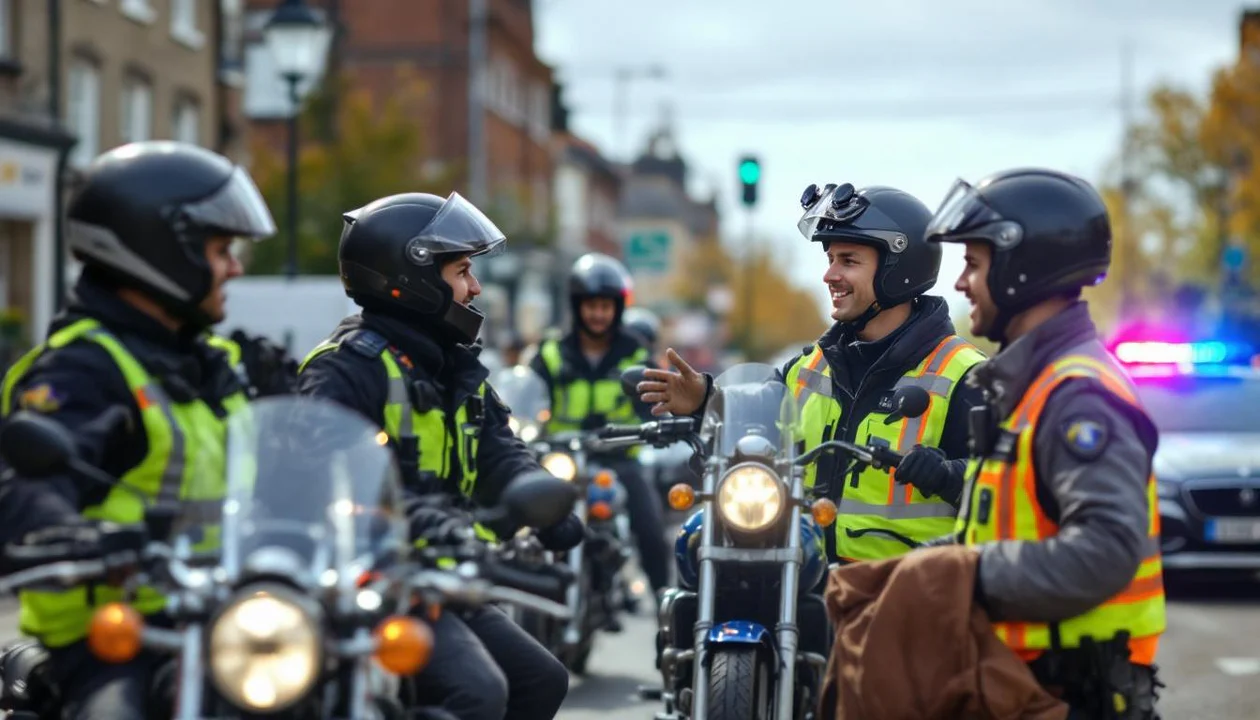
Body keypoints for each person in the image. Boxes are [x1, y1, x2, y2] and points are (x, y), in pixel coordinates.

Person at [0, 141, 276, 719]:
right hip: (114, 636)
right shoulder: (81, 371)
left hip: (226, 621)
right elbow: (29, 486)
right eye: (222, 249)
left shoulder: (212, 364)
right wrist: (66, 533)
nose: (235, 267)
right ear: (161, 251)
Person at [295, 191, 575, 720]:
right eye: (463, 271)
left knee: (541, 680)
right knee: (477, 692)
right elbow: (328, 481)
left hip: (434, 579)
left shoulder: (450, 365)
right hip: (365, 588)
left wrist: (541, 500)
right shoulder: (345, 369)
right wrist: (424, 519)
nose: (474, 287)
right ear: (415, 277)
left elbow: (498, 446)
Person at [637, 183, 986, 563]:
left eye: (848, 261)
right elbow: (757, 423)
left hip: (902, 592)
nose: (829, 275)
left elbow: (1009, 489)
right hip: (800, 574)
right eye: (830, 259)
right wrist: (706, 402)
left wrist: (948, 474)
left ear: (897, 270)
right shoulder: (810, 366)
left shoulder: (964, 375)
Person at [924, 168, 1164, 718]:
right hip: (1026, 690)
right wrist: (920, 570)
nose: (961, 283)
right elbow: (1005, 528)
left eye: (974, 264)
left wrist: (969, 576)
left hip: (1074, 697)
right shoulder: (1034, 384)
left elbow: (1105, 551)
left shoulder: (1077, 399)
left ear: (1019, 271)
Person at [528, 253, 672, 603]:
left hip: (618, 457)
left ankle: (664, 609)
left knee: (650, 526)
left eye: (606, 306)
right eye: (591, 305)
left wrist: (655, 422)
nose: (598, 313)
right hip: (561, 456)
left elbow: (654, 400)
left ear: (618, 309)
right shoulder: (550, 353)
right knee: (524, 515)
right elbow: (526, 396)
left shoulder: (634, 354)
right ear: (577, 307)